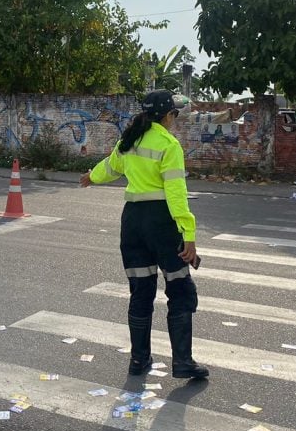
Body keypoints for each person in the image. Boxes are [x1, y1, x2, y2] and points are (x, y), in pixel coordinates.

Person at [80, 89, 209, 380]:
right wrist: (188, 234)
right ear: (167, 115)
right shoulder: (168, 144)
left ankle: (138, 361)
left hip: (133, 221)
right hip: (161, 221)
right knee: (179, 288)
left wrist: (91, 177)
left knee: (141, 291)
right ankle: (183, 362)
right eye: (174, 114)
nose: (175, 119)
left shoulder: (130, 139)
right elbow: (176, 193)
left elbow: (110, 168)